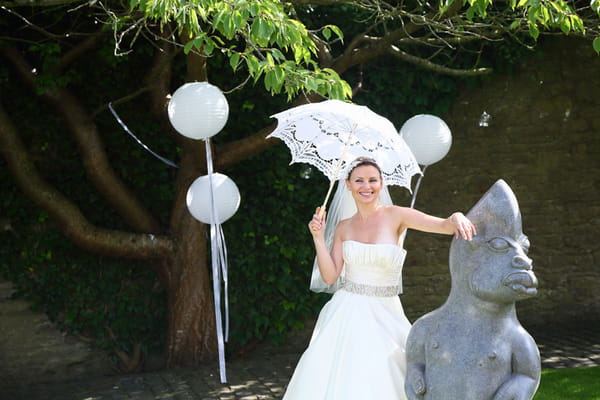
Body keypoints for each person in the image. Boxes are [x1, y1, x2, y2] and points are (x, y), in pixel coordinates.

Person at [282, 156, 476, 400]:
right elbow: (330, 276)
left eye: (373, 180)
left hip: (387, 312)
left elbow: (443, 226)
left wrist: (456, 216)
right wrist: (318, 238)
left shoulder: (398, 215)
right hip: (348, 311)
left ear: (382, 183)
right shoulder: (343, 227)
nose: (367, 186)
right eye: (359, 180)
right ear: (348, 184)